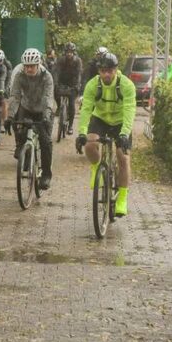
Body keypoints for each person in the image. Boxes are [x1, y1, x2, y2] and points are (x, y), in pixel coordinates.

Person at [75, 52, 136, 216]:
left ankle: (122, 198)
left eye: (110, 70)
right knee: (90, 145)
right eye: (103, 71)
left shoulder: (126, 85)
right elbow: (86, 109)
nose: (106, 74)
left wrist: (124, 134)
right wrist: (81, 133)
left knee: (123, 157)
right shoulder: (92, 85)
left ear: (116, 70)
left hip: (120, 121)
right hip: (100, 118)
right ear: (99, 71)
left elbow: (130, 110)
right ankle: (96, 167)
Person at [7, 48, 55, 189]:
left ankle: (46, 174)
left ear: (38, 64)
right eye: (26, 66)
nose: (28, 69)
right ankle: (24, 154)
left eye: (31, 66)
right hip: (26, 107)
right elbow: (15, 96)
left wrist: (46, 115)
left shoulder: (47, 76)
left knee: (45, 141)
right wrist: (9, 116)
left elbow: (48, 97)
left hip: (43, 110)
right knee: (20, 128)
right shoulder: (20, 76)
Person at [52, 42, 83, 135]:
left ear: (74, 52)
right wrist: (56, 83)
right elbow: (56, 72)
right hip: (62, 81)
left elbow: (79, 74)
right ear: (65, 52)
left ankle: (70, 126)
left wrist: (77, 85)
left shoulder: (78, 61)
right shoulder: (61, 60)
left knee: (71, 104)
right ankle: (59, 107)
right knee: (55, 91)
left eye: (71, 52)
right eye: (67, 52)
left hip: (73, 83)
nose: (69, 54)